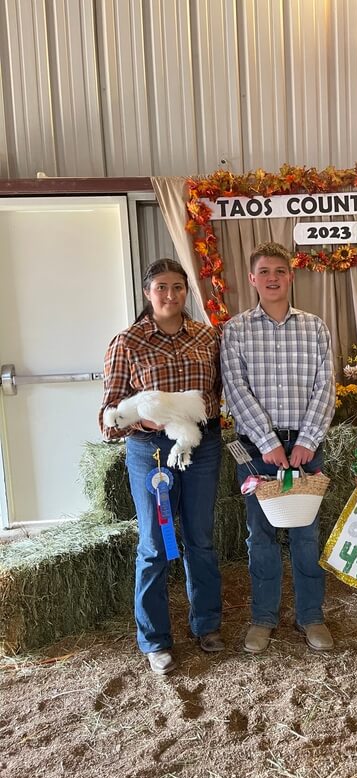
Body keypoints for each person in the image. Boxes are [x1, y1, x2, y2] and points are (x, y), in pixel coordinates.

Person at [99, 258, 223, 675]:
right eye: (161, 288)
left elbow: (219, 392)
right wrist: (141, 420)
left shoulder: (207, 336)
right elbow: (107, 413)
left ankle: (206, 625)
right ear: (147, 293)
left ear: (186, 291)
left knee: (200, 539)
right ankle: (155, 639)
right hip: (149, 450)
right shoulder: (127, 341)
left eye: (178, 287)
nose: (170, 295)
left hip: (199, 447)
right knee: (154, 545)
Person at [221, 242, 336, 654]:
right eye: (264, 271)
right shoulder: (235, 331)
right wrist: (269, 444)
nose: (272, 277)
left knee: (306, 536)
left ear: (291, 276)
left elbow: (326, 388)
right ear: (252, 279)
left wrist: (306, 441)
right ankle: (263, 618)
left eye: (280, 270)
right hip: (256, 451)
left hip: (306, 447)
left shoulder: (315, 327)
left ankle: (311, 616)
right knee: (261, 535)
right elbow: (236, 390)